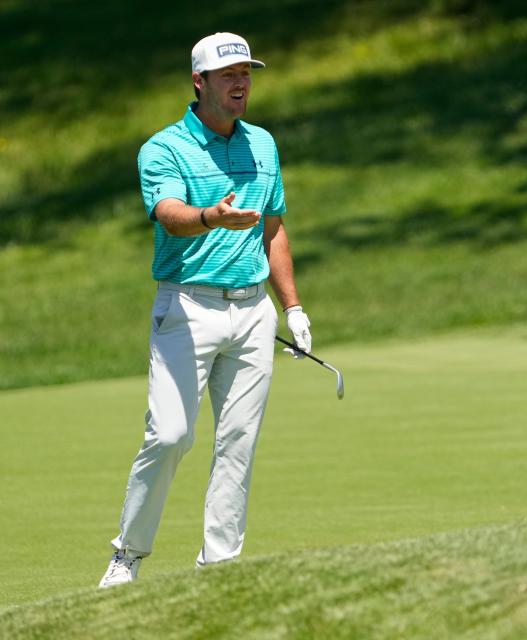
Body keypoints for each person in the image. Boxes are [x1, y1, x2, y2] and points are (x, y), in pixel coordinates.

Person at [99, 32, 312, 588]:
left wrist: (292, 308)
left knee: (237, 442)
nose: (241, 83)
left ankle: (219, 569)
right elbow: (168, 213)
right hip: (187, 307)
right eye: (228, 75)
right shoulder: (164, 147)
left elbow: (275, 226)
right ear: (200, 82)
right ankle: (128, 556)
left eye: (246, 73)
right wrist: (211, 217)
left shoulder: (262, 144)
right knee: (169, 435)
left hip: (252, 312)